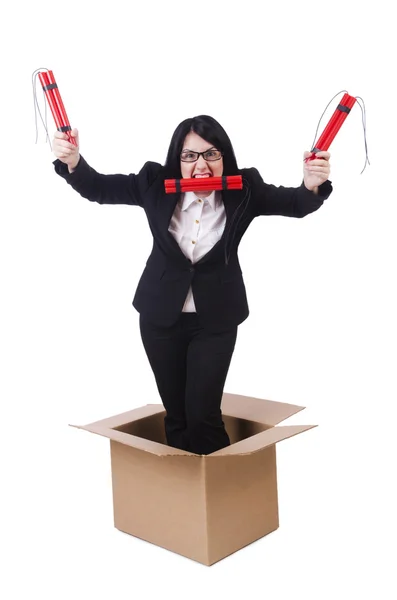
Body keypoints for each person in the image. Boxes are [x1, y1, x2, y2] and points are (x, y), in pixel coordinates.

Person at [52, 115, 332, 455]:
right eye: (190, 156)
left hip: (216, 320)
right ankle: (183, 497)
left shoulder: (245, 188)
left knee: (203, 417)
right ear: (177, 160)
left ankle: (222, 493)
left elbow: (295, 203)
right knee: (178, 416)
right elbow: (98, 188)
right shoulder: (153, 182)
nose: (201, 164)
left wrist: (311, 183)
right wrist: (73, 162)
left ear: (224, 157)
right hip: (159, 317)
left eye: (211, 154)